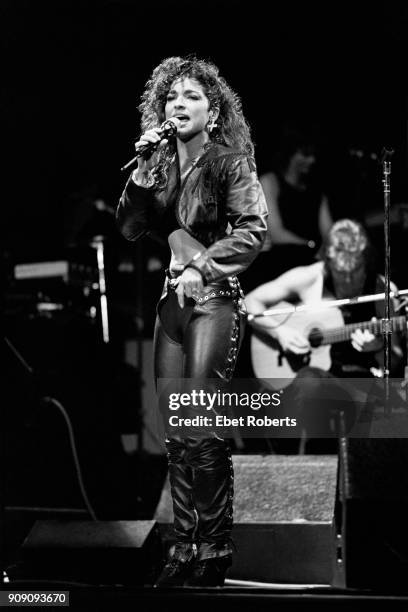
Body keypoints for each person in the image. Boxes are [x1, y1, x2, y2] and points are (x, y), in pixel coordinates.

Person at [116, 56, 267, 586]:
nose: (178, 104)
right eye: (171, 97)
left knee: (202, 429)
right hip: (171, 307)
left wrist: (203, 265)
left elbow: (252, 231)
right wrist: (139, 174)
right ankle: (183, 548)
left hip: (215, 300)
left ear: (214, 110)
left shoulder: (231, 163)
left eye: (192, 97)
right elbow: (131, 227)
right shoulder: (157, 167)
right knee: (177, 432)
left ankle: (215, 549)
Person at [245, 219, 404, 452]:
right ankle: (291, 464)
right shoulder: (310, 278)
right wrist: (280, 333)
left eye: (356, 270)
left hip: (357, 383)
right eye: (341, 272)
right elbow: (250, 302)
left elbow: (397, 356)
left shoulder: (381, 289)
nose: (349, 280)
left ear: (365, 262)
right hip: (310, 380)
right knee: (308, 381)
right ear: (329, 263)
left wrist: (379, 347)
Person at [240, 125, 333, 293]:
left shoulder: (317, 192)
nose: (311, 160)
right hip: (280, 263)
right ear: (290, 154)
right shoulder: (270, 182)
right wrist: (310, 245)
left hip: (313, 263)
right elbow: (276, 234)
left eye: (313, 155)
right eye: (305, 154)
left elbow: (330, 234)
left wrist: (323, 250)